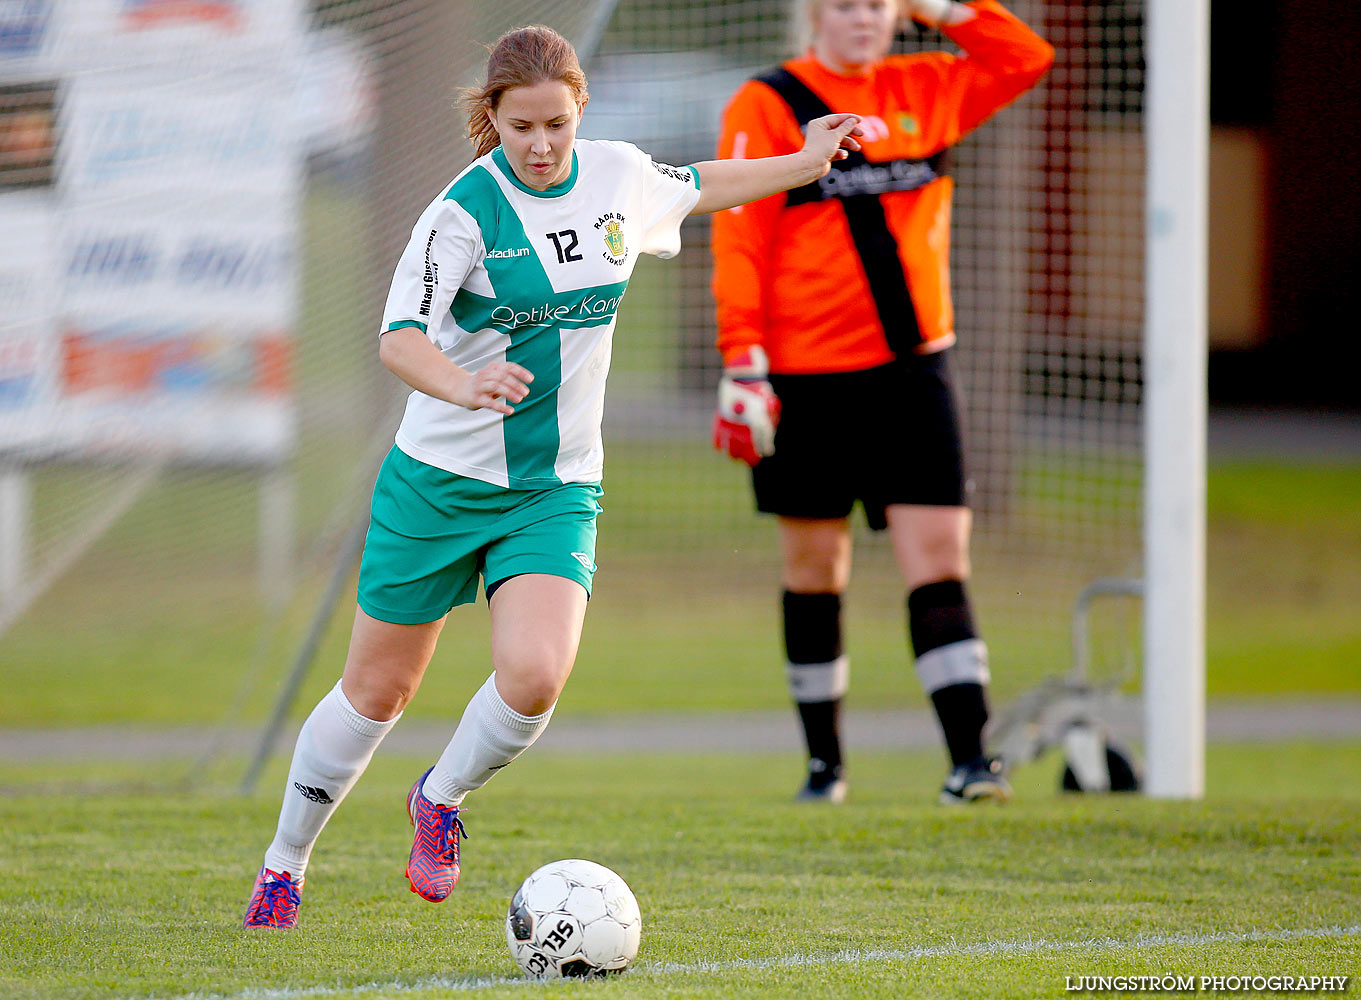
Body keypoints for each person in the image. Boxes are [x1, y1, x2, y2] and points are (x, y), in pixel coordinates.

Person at [243, 23, 864, 929]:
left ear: (580, 113)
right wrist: (466, 383)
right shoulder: (460, 213)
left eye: (556, 126)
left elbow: (697, 186)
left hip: (556, 487)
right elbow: (399, 339)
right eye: (521, 126)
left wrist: (803, 163)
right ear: (491, 116)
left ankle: (440, 800)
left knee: (534, 676)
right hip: (438, 482)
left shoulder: (613, 176)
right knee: (378, 692)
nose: (540, 146)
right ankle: (284, 864)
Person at [710, 0, 1053, 805]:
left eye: (876, 2)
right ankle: (824, 770)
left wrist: (941, 7)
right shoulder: (768, 101)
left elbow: (1025, 56)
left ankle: (971, 763)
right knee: (813, 568)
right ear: (813, 14)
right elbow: (738, 235)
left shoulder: (930, 84)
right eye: (842, 4)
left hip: (913, 375)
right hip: (803, 378)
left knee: (938, 560)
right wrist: (743, 360)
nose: (860, 18)